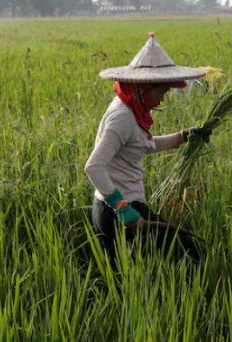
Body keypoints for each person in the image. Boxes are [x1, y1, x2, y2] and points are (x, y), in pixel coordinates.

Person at [85, 32, 211, 268]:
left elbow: (140, 146)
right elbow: (93, 166)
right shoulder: (122, 117)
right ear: (144, 88)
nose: (163, 99)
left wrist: (184, 137)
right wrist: (122, 207)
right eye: (161, 92)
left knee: (126, 274)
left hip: (110, 208)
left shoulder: (131, 108)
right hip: (119, 210)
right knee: (187, 249)